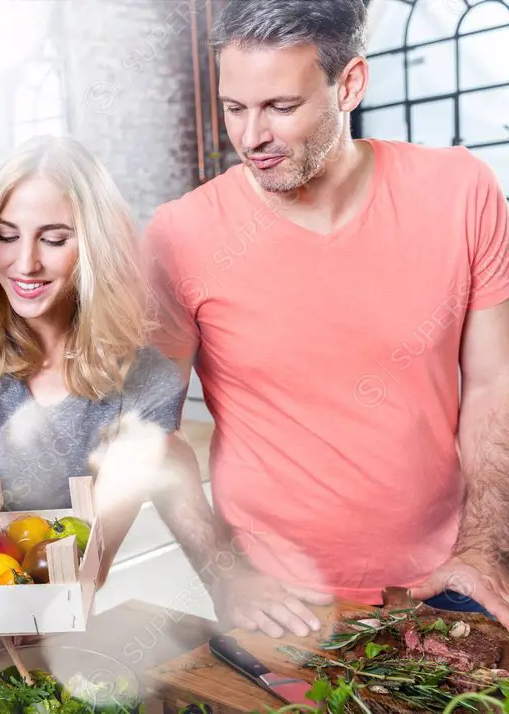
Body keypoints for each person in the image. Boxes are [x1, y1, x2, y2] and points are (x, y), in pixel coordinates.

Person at [143, 0, 509, 639]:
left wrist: (484, 548)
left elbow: (492, 385)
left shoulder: (462, 192)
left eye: (281, 107)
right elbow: (148, 432)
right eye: (235, 107)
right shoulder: (181, 236)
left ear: (350, 85)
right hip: (280, 604)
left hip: (450, 583)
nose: (251, 137)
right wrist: (223, 573)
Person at [0, 135, 228, 685]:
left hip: (51, 652)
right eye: (6, 236)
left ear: (93, 243)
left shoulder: (143, 383)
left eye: (54, 239)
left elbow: (88, 569)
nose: (26, 263)